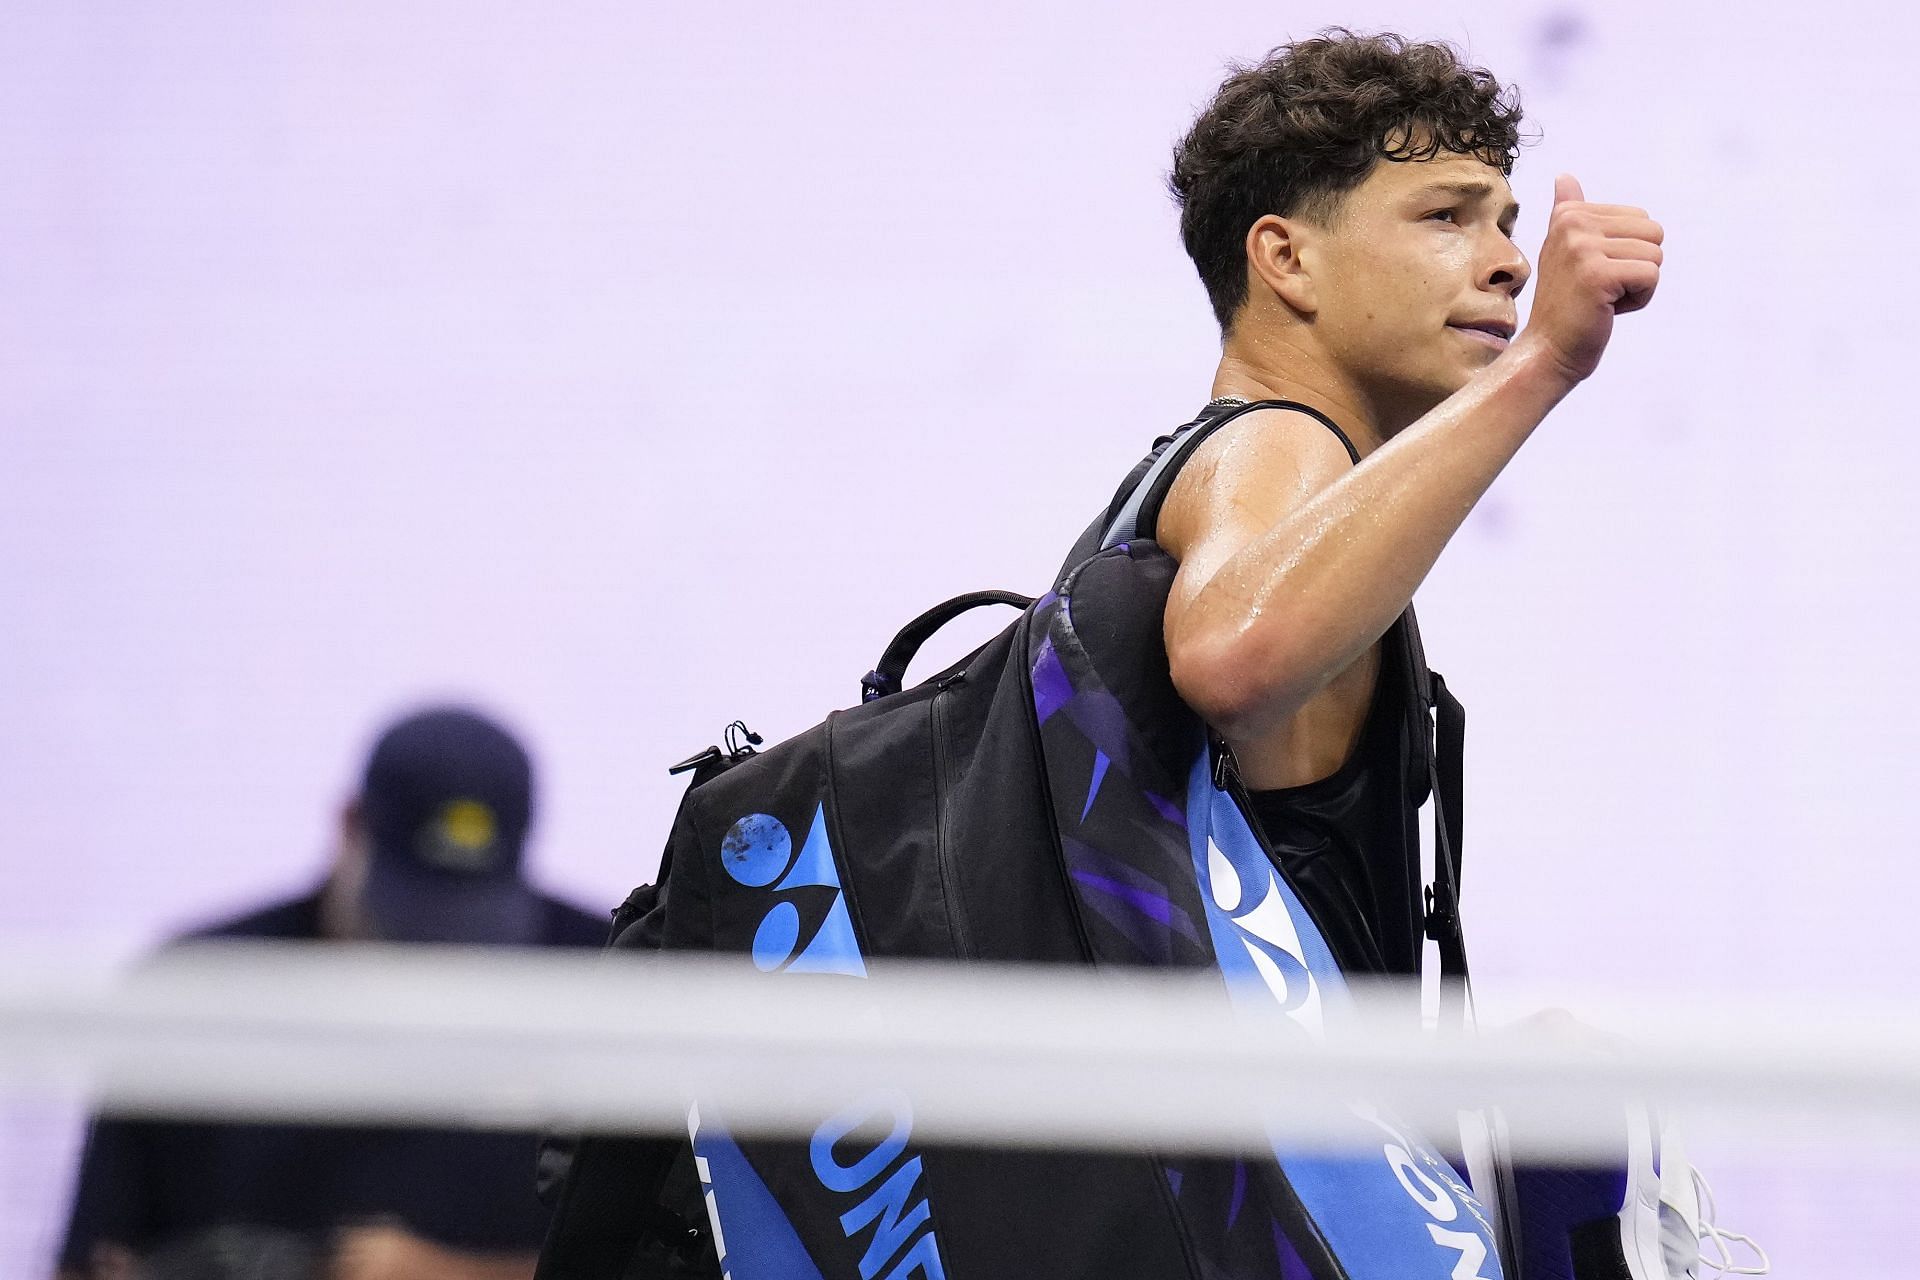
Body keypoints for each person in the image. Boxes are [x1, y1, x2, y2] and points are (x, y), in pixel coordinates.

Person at [1155, 31, 1661, 979]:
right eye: (1446, 217)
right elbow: (1232, 658)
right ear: (1286, 260)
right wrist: (1544, 361)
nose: (1511, 261)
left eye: (1506, 223)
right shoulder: (1275, 441)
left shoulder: (1260, 465)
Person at [57, 706, 609, 1280]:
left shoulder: (609, 987)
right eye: (410, 922)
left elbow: (684, 1257)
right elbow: (92, 1259)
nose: (434, 962)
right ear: (349, 826)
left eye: (468, 933)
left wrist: (450, 1273)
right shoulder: (198, 989)